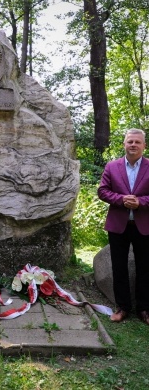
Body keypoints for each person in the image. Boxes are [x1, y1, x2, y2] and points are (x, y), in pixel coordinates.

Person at [98, 128, 149, 325]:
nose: (133, 145)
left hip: (144, 225)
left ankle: (144, 308)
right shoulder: (112, 166)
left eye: (137, 142)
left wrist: (141, 202)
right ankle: (122, 307)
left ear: (144, 145)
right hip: (118, 225)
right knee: (119, 267)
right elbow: (102, 191)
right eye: (130, 142)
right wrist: (120, 199)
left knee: (146, 267)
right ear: (124, 144)